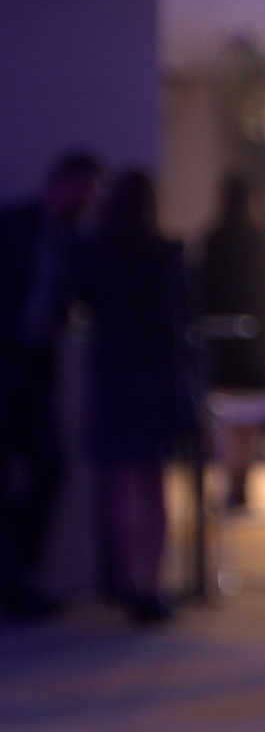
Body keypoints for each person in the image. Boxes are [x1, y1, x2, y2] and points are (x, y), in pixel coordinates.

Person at [72, 169, 194, 625]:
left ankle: (126, 584)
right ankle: (151, 585)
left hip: (112, 373)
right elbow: (182, 316)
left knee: (121, 486)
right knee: (154, 484)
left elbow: (77, 305)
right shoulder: (165, 254)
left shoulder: (96, 254)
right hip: (154, 376)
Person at [0, 151, 103, 621]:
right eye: (85, 188)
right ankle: (12, 578)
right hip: (9, 359)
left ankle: (19, 571)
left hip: (36, 365)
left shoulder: (74, 241)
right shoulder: (14, 226)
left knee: (50, 464)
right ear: (64, 182)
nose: (88, 199)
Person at [198, 174, 265, 512]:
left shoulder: (213, 240)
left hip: (221, 343)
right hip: (254, 342)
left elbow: (202, 292)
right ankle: (241, 479)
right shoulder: (261, 241)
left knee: (225, 416)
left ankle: (232, 477)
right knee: (248, 416)